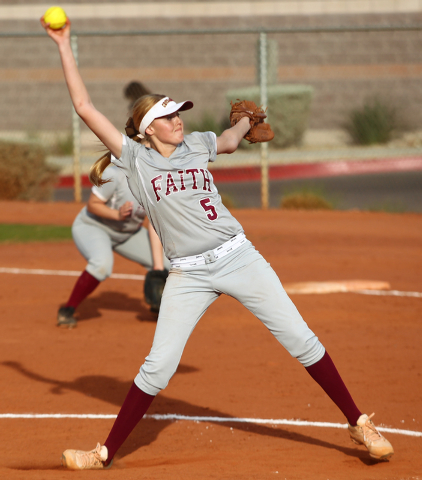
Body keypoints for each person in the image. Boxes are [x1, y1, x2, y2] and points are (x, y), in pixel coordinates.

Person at [41, 16, 394, 470]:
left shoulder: (197, 144)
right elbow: (85, 106)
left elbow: (227, 139)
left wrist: (245, 124)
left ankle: (358, 422)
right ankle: (103, 453)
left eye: (178, 112)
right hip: (187, 273)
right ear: (148, 128)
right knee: (158, 365)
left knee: (300, 339)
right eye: (168, 116)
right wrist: (64, 44)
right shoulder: (135, 161)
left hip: (238, 257)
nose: (178, 119)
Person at [57, 161, 171, 328]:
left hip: (127, 234)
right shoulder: (114, 175)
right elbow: (93, 205)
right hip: (94, 226)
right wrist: (117, 214)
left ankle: (158, 306)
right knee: (102, 265)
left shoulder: (157, 182)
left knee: (169, 264)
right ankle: (67, 310)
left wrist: (158, 267)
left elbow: (154, 223)